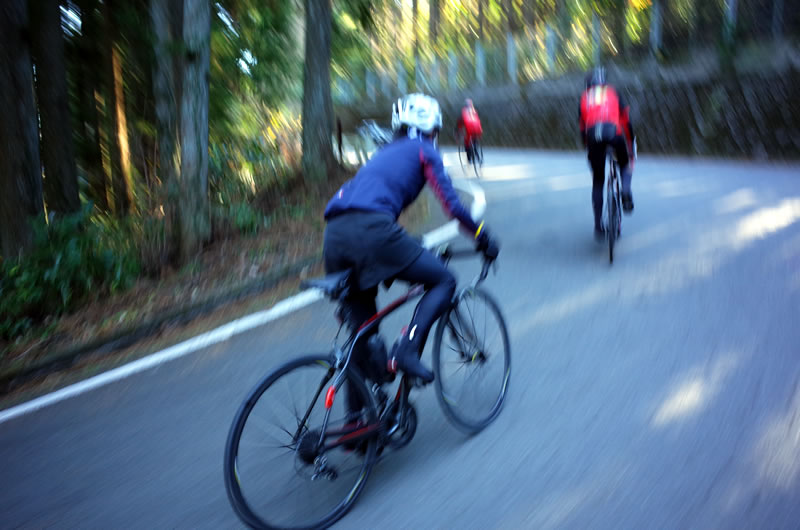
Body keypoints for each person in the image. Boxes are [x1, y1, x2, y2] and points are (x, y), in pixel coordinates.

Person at [323, 93, 499, 415]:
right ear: (430, 128)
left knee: (362, 333)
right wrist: (481, 237)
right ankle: (406, 350)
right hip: (372, 231)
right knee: (444, 280)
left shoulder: (383, 153)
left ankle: (356, 428)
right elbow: (453, 206)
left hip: (334, 235)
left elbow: (376, 200)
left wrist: (408, 243)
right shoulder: (424, 151)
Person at [579, 67, 636, 241]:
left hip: (593, 136)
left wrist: (587, 147)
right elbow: (626, 120)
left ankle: (598, 226)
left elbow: (582, 128)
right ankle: (625, 190)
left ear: (589, 83)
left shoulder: (584, 97)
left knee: (598, 179)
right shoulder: (613, 93)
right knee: (625, 164)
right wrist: (630, 142)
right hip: (614, 133)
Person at [456, 98, 483, 163]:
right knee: (475, 145)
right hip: (477, 130)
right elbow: (477, 120)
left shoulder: (464, 111)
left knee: (467, 145)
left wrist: (458, 131)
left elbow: (460, 122)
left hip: (469, 130)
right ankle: (479, 159)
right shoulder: (474, 111)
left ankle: (469, 159)